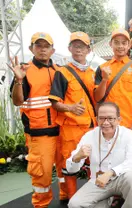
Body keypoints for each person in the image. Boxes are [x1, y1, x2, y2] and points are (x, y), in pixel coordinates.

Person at [8, 32, 64, 207]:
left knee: (65, 170)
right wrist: (19, 80)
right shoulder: (25, 70)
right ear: (31, 48)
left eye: (46, 46)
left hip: (62, 130)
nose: (42, 50)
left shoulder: (60, 71)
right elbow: (18, 101)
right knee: (43, 173)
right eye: (38, 46)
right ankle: (41, 204)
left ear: (52, 50)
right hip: (39, 134)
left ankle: (67, 197)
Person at [49, 32, 97, 199]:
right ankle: (72, 198)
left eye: (82, 46)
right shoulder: (62, 73)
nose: (79, 49)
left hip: (92, 127)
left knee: (95, 163)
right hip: (71, 128)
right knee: (70, 165)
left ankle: (95, 196)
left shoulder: (93, 73)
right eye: (75, 46)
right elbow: (54, 102)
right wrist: (70, 108)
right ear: (69, 48)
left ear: (88, 50)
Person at [67, 102, 132, 208]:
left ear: (119, 120)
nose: (106, 123)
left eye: (110, 118)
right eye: (102, 118)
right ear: (97, 119)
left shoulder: (127, 134)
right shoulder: (89, 136)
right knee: (74, 204)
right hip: (98, 182)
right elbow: (71, 170)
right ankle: (106, 200)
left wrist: (111, 172)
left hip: (120, 179)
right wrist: (77, 157)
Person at [94, 28, 132, 139]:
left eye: (124, 43)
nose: (120, 46)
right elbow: (98, 97)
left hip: (129, 122)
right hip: (107, 123)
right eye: (116, 42)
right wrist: (104, 80)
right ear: (110, 44)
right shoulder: (102, 68)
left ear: (128, 45)